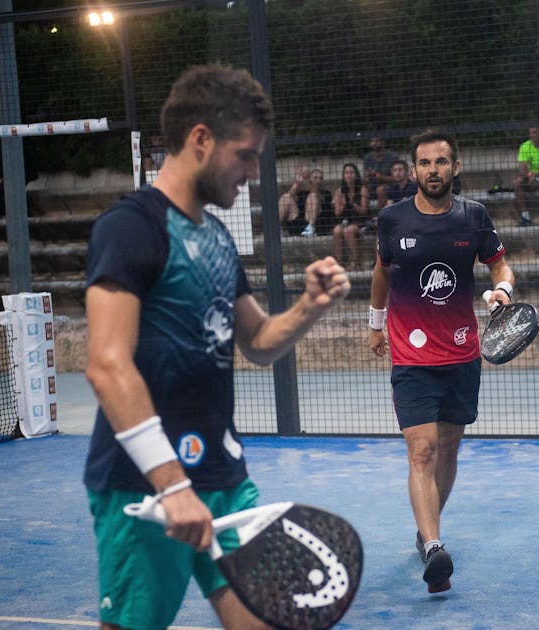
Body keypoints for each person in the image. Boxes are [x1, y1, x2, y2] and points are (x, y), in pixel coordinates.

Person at [83, 63, 350, 630]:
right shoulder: (131, 228)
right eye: (246, 155)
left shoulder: (217, 237)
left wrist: (308, 308)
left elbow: (256, 341)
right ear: (200, 139)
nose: (253, 172)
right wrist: (173, 486)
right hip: (147, 489)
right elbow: (108, 365)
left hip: (223, 477)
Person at [368, 128, 515, 593]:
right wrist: (375, 324)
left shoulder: (474, 217)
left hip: (461, 353)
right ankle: (434, 547)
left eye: (441, 162)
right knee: (423, 450)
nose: (433, 170)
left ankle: (425, 527)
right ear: (413, 171)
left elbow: (499, 265)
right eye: (425, 163)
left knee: (449, 449)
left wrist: (502, 290)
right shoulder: (392, 220)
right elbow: (380, 271)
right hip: (411, 358)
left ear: (456, 167)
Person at [278, 164, 335, 237]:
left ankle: (311, 228)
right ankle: (276, 228)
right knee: (286, 197)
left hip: (317, 226)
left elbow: (317, 195)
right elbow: (290, 196)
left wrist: (309, 179)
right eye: (315, 177)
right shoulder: (302, 192)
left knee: (312, 197)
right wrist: (297, 182)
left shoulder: (326, 193)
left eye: (320, 178)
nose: (318, 180)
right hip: (298, 223)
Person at [332, 162, 370, 268]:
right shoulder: (339, 192)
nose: (349, 175)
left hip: (361, 221)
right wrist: (342, 205)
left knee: (348, 230)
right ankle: (339, 262)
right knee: (337, 230)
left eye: (351, 172)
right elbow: (337, 213)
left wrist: (352, 204)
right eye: (346, 173)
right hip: (345, 220)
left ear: (356, 175)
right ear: (343, 176)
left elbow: (364, 211)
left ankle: (356, 260)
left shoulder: (363, 189)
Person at [513, 126, 539, 227]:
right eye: (530, 133)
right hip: (530, 177)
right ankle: (525, 217)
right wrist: (530, 175)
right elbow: (523, 167)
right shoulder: (525, 146)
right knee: (517, 182)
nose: (532, 135)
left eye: (535, 132)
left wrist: (537, 174)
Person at [363, 136, 400, 208]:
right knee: (363, 189)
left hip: (389, 185)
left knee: (381, 189)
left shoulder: (392, 157)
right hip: (372, 185)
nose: (374, 143)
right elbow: (364, 179)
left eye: (377, 141)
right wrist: (367, 177)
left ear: (383, 143)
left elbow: (396, 178)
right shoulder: (367, 158)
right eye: (372, 141)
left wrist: (381, 177)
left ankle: (380, 215)